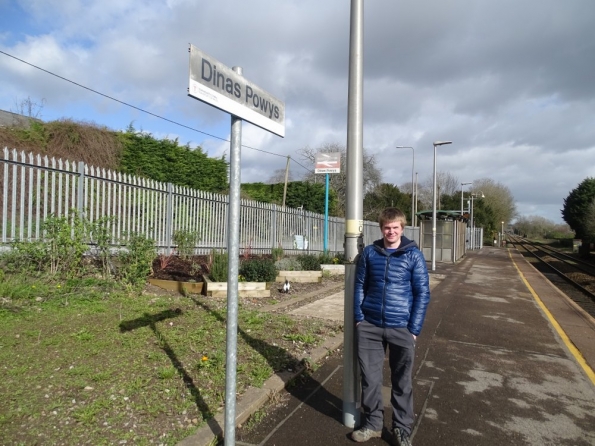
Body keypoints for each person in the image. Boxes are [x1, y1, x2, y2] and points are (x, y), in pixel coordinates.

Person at [351, 208, 430, 445]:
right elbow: (359, 286)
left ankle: (401, 428)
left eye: (395, 227)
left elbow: (422, 293)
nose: (391, 231)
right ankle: (374, 424)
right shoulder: (369, 253)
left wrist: (413, 329)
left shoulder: (413, 255)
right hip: (370, 326)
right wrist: (359, 318)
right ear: (381, 228)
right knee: (370, 379)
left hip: (401, 327)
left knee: (402, 381)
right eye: (387, 227)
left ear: (402, 229)